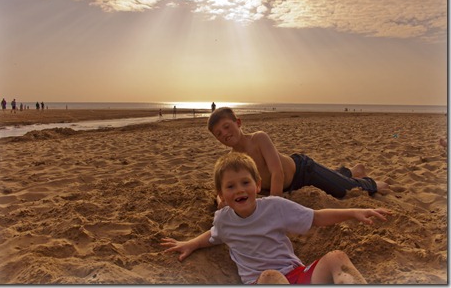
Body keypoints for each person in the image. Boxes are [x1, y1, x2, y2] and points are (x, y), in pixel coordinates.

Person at [161, 152, 391, 284]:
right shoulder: (223, 220)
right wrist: (190, 243)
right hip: (261, 282)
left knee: (336, 257)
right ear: (221, 195)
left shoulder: (275, 207)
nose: (240, 190)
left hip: (295, 274)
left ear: (258, 185)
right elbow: (213, 235)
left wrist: (352, 212)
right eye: (231, 186)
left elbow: (316, 218)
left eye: (245, 183)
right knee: (271, 277)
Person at [207, 107, 389, 207]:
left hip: (303, 171)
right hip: (289, 187)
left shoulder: (258, 138)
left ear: (238, 123)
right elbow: (221, 191)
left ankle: (370, 182)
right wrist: (221, 202)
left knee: (346, 191)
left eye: (226, 127)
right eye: (218, 134)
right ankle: (348, 171)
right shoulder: (233, 160)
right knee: (335, 179)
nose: (224, 134)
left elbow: (276, 172)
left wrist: (275, 205)